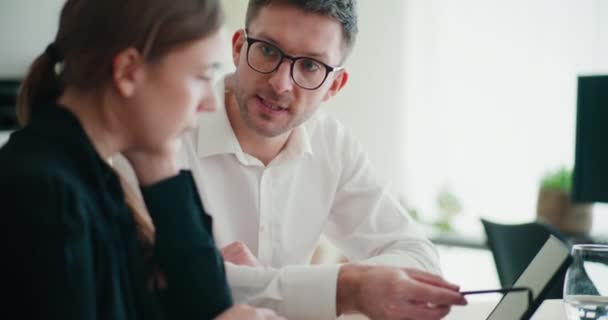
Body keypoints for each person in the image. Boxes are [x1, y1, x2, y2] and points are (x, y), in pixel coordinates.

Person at [171, 0, 468, 319]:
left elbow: (420, 258)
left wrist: (264, 284)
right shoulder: (168, 133)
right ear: (238, 48)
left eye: (310, 66)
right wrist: (335, 288)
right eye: (268, 51)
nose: (280, 83)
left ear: (334, 86)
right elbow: (159, 281)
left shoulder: (333, 145)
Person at [0, 0, 283, 319]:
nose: (210, 102)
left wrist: (160, 166)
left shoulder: (91, 179)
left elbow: (209, 306)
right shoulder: (45, 196)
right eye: (202, 77)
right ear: (128, 71)